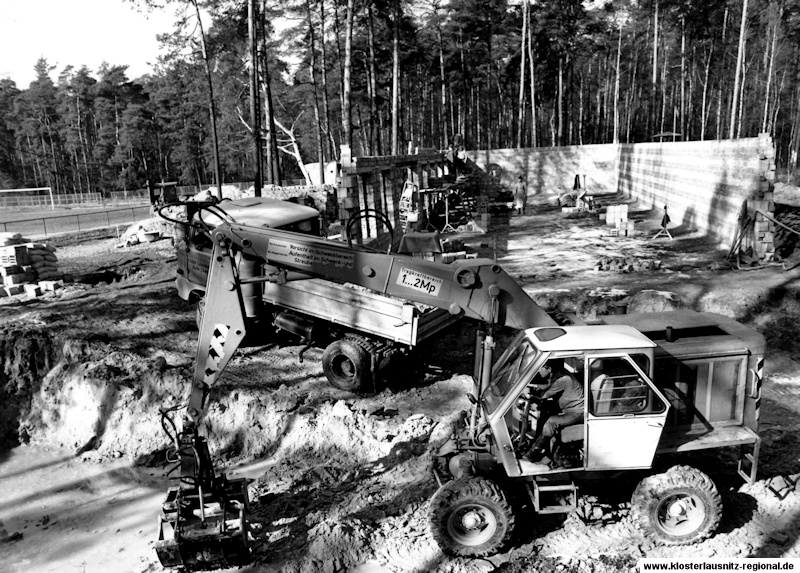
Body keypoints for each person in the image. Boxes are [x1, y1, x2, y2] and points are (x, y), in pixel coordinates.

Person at [523, 359, 584, 462]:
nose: (538, 371)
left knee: (551, 421)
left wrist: (529, 393)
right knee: (544, 415)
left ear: (549, 369)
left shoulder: (564, 379)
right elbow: (548, 387)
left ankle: (532, 454)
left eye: (540, 368)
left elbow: (544, 394)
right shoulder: (559, 375)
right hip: (570, 410)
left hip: (576, 413)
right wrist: (531, 386)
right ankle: (539, 447)